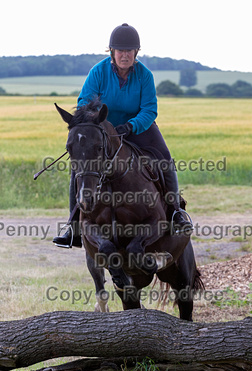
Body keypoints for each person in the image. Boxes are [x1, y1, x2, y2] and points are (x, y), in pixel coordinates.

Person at [53, 23, 192, 248]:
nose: (124, 55)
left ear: (136, 53)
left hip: (138, 128)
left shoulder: (144, 75)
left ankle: (175, 211)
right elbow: (83, 102)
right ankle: (74, 227)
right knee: (79, 167)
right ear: (112, 52)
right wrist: (98, 122)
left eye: (129, 51)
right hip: (101, 131)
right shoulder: (98, 72)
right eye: (120, 50)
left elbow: (149, 109)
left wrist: (131, 126)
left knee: (165, 158)